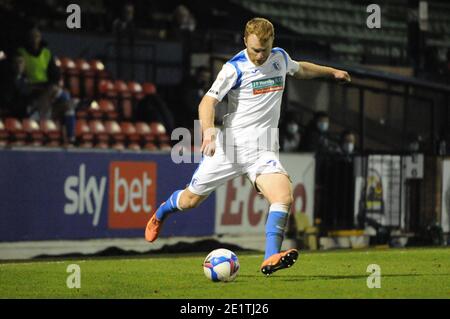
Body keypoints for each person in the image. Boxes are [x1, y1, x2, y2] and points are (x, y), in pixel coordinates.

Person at [145, 18, 351, 275]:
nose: (259, 55)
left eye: (264, 50)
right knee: (189, 201)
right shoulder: (234, 68)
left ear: (272, 42)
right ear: (245, 42)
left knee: (283, 196)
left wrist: (331, 72)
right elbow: (207, 103)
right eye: (254, 50)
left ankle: (269, 257)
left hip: (263, 150)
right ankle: (162, 212)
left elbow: (302, 69)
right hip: (229, 148)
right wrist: (208, 133)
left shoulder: (280, 58)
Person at [17, 26, 75, 142]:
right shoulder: (21, 52)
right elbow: (19, 75)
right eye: (32, 37)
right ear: (28, 38)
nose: (34, 39)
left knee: (68, 105)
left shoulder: (46, 53)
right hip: (30, 88)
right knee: (59, 93)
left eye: (37, 36)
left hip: (46, 88)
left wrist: (49, 84)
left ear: (40, 38)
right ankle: (40, 114)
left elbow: (55, 74)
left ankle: (71, 138)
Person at [0, 53, 31, 118]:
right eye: (15, 63)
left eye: (20, 62)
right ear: (12, 65)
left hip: (22, 115)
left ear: (24, 65)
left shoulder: (28, 82)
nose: (18, 65)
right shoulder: (5, 81)